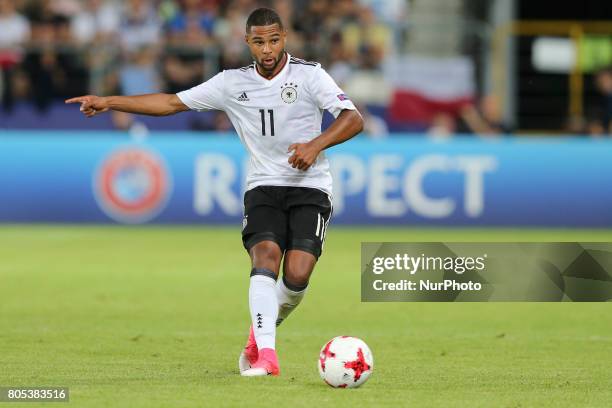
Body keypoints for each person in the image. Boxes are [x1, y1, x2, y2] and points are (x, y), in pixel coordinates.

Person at [65, 7, 363, 377]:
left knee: (298, 275)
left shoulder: (310, 75)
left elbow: (353, 118)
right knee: (266, 256)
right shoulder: (230, 83)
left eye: (273, 40)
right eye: (259, 42)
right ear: (247, 42)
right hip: (264, 186)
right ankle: (267, 357)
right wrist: (109, 101)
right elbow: (172, 103)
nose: (267, 49)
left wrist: (315, 145)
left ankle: (260, 333)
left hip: (311, 187)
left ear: (284, 38)